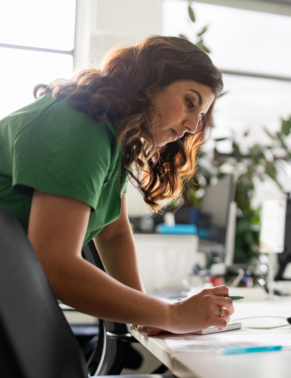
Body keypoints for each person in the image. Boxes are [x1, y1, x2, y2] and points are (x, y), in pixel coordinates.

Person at [0, 36, 234, 334]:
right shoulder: (81, 127)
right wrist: (170, 315)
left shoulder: (111, 133)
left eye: (199, 117)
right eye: (189, 103)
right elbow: (54, 263)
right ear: (151, 81)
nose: (191, 127)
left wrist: (149, 314)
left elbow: (114, 232)